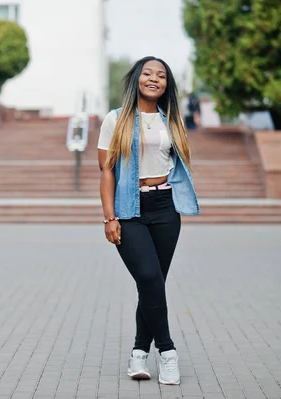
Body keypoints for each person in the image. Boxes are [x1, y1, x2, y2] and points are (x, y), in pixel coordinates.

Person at [97, 56, 200, 385]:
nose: (154, 79)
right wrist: (109, 217)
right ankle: (167, 353)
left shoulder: (171, 121)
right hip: (129, 209)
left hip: (165, 207)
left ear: (167, 84)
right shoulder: (116, 120)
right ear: (136, 79)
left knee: (152, 283)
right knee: (150, 279)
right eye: (147, 73)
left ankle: (139, 353)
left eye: (161, 76)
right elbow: (105, 170)